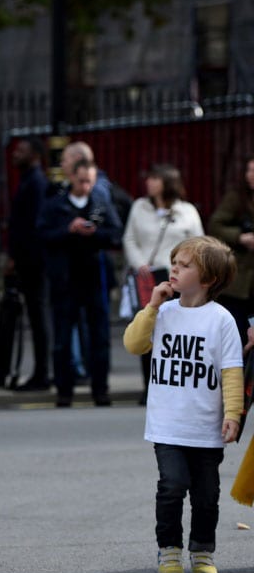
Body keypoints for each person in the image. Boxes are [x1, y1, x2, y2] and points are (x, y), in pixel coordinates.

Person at [122, 236, 243, 573]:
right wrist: (152, 306)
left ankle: (202, 550)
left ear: (208, 280)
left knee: (207, 495)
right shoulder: (163, 313)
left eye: (185, 265)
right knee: (171, 486)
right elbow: (133, 344)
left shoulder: (222, 321)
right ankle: (170, 550)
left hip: (206, 427)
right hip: (167, 426)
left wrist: (232, 415)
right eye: (174, 261)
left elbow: (231, 372)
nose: (174, 268)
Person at [36, 159, 122, 407]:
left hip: (94, 276)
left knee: (100, 337)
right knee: (62, 338)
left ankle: (100, 390)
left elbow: (116, 234)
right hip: (65, 280)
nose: (86, 186)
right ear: (71, 178)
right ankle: (64, 391)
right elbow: (42, 235)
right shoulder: (55, 205)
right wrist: (68, 229)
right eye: (82, 181)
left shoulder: (101, 204)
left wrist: (95, 233)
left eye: (90, 182)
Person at [122, 163, 204, 400]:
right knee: (147, 329)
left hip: (178, 279)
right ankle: (150, 386)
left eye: (155, 179)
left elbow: (198, 245)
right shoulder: (139, 207)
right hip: (148, 278)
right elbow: (129, 238)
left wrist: (184, 268)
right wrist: (140, 265)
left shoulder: (186, 211)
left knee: (178, 334)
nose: (149, 182)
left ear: (168, 183)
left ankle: (177, 387)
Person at [7, 139, 52, 390]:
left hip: (35, 263)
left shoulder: (36, 182)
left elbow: (33, 226)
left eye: (21, 151)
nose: (15, 155)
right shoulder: (29, 180)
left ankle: (43, 373)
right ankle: (42, 372)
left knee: (39, 317)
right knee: (37, 317)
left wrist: (19, 256)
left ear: (35, 154)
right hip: (29, 261)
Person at [207, 156, 254, 336]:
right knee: (237, 331)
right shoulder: (237, 197)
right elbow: (215, 225)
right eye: (249, 170)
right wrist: (240, 237)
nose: (251, 175)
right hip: (239, 279)